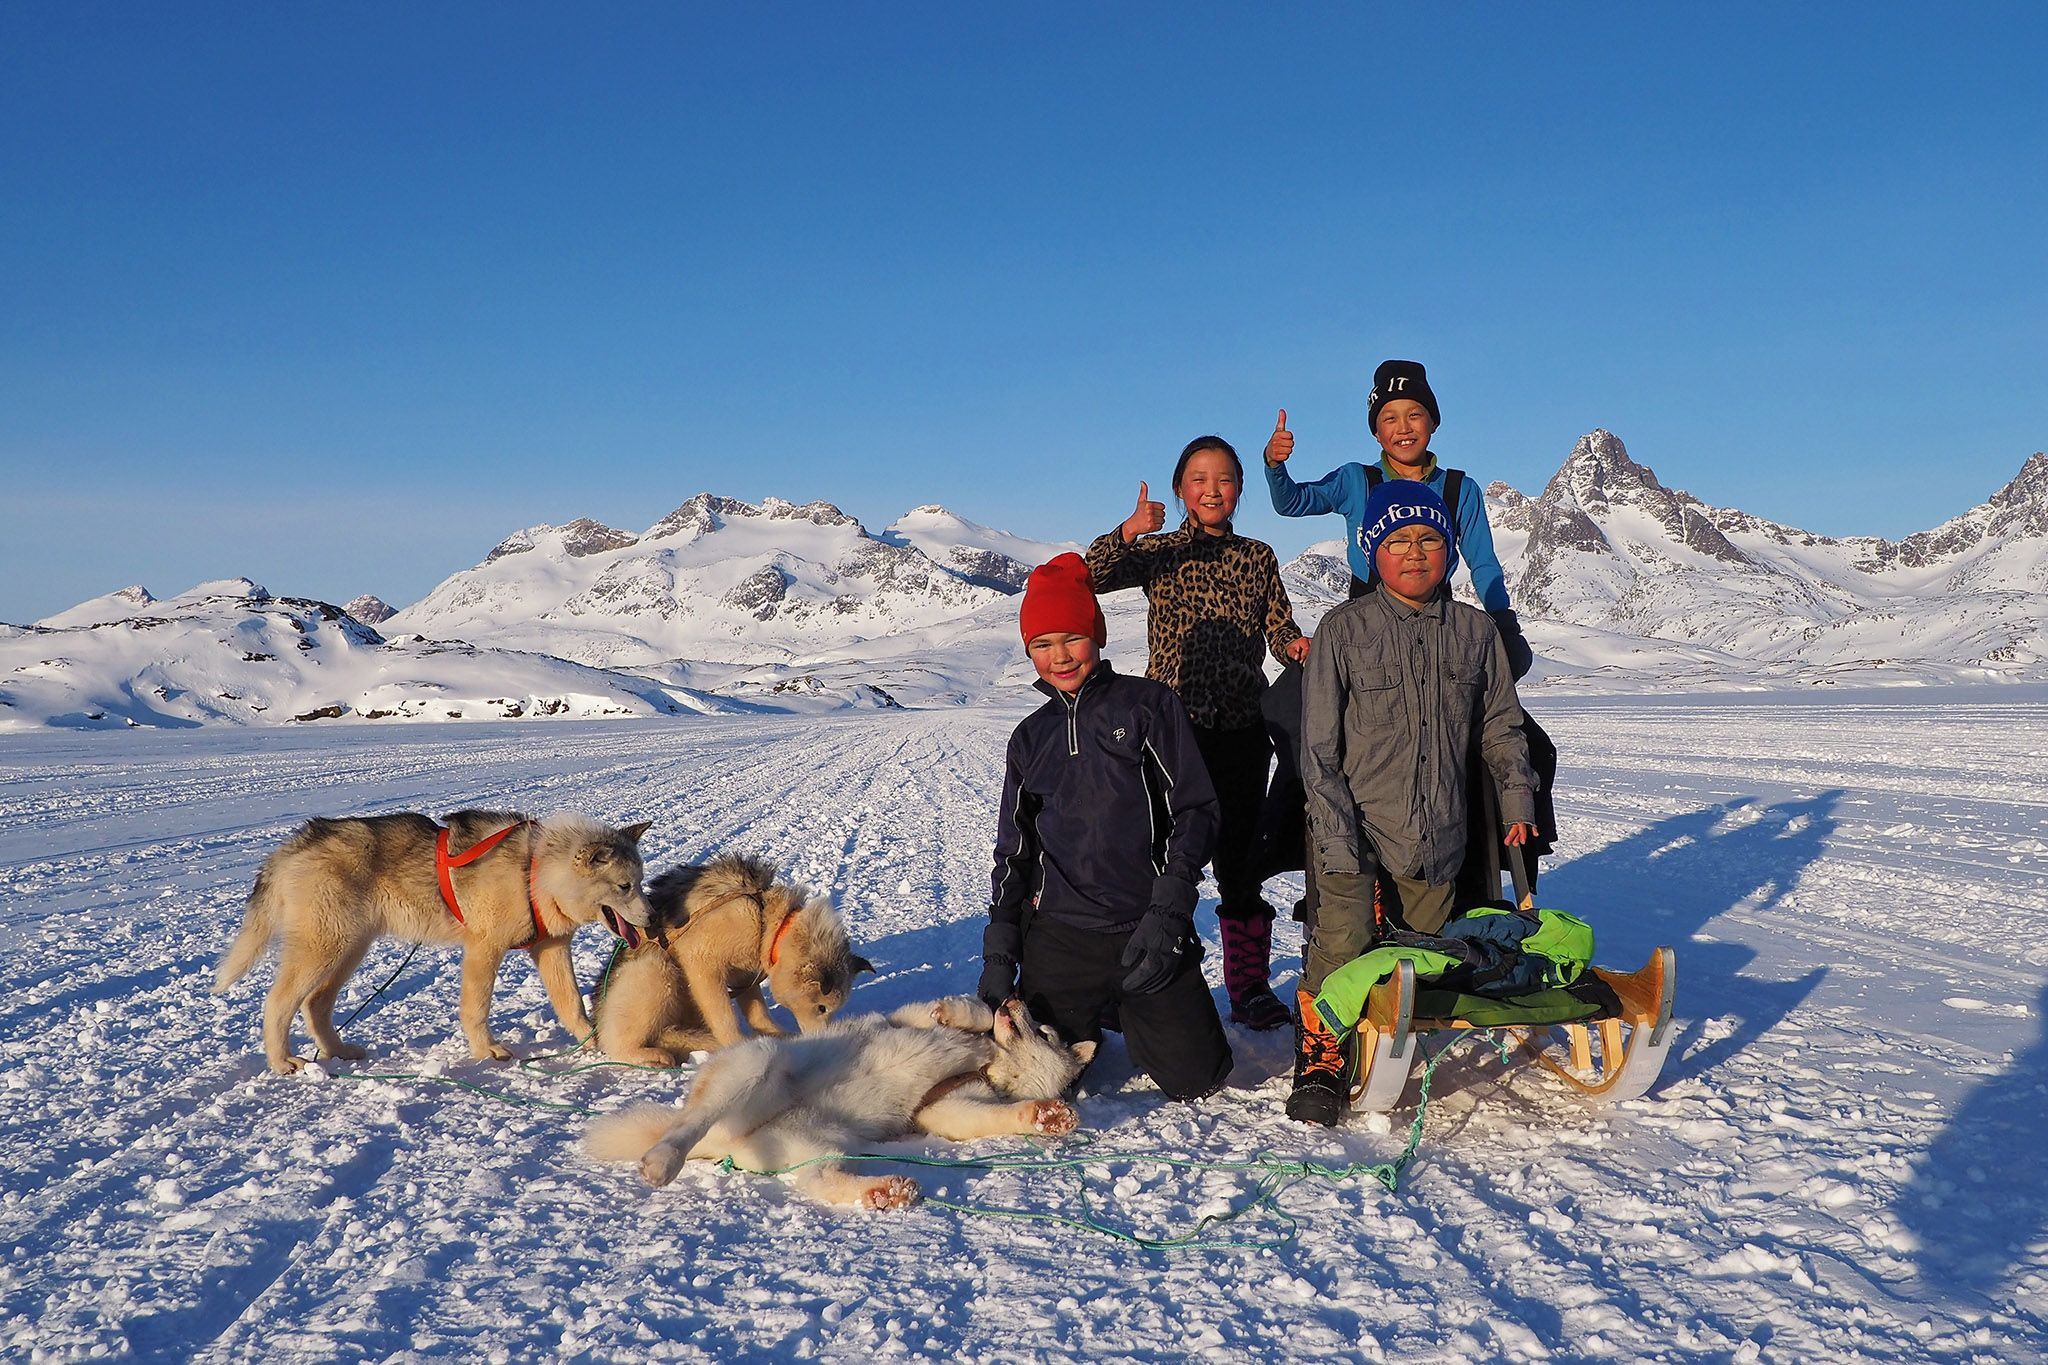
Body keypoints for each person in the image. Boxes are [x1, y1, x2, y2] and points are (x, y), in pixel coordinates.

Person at [1288, 483, 1538, 1126]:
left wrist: (1517, 798)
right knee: (1341, 943)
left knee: (1420, 951)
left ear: (1450, 550)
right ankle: (1320, 1052)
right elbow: (1317, 749)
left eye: (1429, 539)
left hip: (1438, 835)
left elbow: (1501, 727)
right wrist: (1339, 838)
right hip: (1356, 826)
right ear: (1373, 552)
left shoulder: (1475, 632)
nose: (1415, 553)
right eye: (1397, 541)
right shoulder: (1344, 630)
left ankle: (1390, 1027)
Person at [978, 553, 1234, 1101]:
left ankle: (1127, 1010)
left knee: (1198, 1079)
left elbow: (1196, 812)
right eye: (1041, 645)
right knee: (1040, 1085)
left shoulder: (1148, 706)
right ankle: (1093, 1010)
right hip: (1061, 940)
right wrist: (1000, 953)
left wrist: (1169, 912)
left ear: (1096, 635)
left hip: (1144, 929)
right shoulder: (1029, 737)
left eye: (1071, 637)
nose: (1059, 656)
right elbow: (1015, 851)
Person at [1085, 436, 1310, 1031]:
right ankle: (1142, 981)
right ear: (1181, 489)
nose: (1213, 489)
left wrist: (1296, 646)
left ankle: (1250, 989)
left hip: (1241, 730)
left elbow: (1277, 624)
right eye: (1199, 478)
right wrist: (1130, 529)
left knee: (1239, 863)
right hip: (1169, 731)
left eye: (1226, 478)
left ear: (1239, 488)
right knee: (1157, 859)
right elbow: (1092, 574)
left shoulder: (1258, 556)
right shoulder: (1160, 554)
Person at [1263, 359, 1533, 677]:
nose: (1403, 428)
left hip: (1437, 624)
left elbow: (1483, 563)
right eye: (1389, 418)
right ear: (1377, 432)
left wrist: (1504, 624)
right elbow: (1292, 503)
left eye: (1415, 415)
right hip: (1365, 626)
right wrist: (1275, 465)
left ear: (1433, 422)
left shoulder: (1459, 489)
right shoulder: (1356, 480)